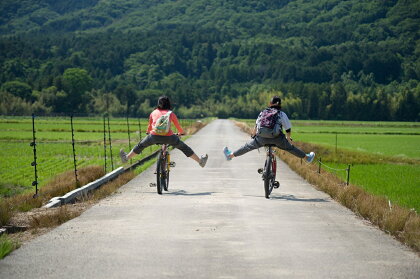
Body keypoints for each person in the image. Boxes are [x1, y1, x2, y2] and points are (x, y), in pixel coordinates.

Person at [120, 96, 208, 167]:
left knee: (141, 145)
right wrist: (181, 133)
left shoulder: (153, 112)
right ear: (169, 104)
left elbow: (150, 126)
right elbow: (178, 127)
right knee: (184, 148)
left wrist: (148, 132)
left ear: (158, 104)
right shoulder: (171, 113)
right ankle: (200, 161)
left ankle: (127, 158)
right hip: (169, 138)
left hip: (153, 137)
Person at [223, 96, 315, 163]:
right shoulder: (281, 114)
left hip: (261, 139)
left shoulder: (263, 112)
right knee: (291, 148)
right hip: (277, 139)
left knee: (247, 147)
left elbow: (256, 127)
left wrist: (254, 136)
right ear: (280, 105)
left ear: (270, 104)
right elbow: (288, 129)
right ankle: (307, 158)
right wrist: (288, 139)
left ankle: (230, 156)